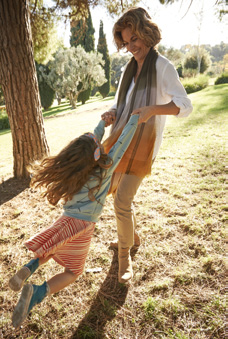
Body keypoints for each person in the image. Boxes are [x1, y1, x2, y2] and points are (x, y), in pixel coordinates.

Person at [9, 113, 139, 329]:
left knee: (51, 248)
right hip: (82, 226)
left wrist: (102, 125)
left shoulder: (72, 172)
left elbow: (87, 145)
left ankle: (29, 267)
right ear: (95, 156)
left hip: (65, 220)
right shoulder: (102, 174)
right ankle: (36, 293)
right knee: (73, 272)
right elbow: (121, 146)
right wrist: (135, 120)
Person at [101, 7, 193, 284]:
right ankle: (132, 236)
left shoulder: (163, 67)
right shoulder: (128, 70)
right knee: (121, 200)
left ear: (146, 33)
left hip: (144, 147)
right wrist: (111, 113)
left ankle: (124, 256)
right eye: (126, 43)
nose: (131, 48)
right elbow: (120, 103)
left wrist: (153, 109)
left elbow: (185, 106)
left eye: (134, 40)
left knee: (121, 200)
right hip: (121, 142)